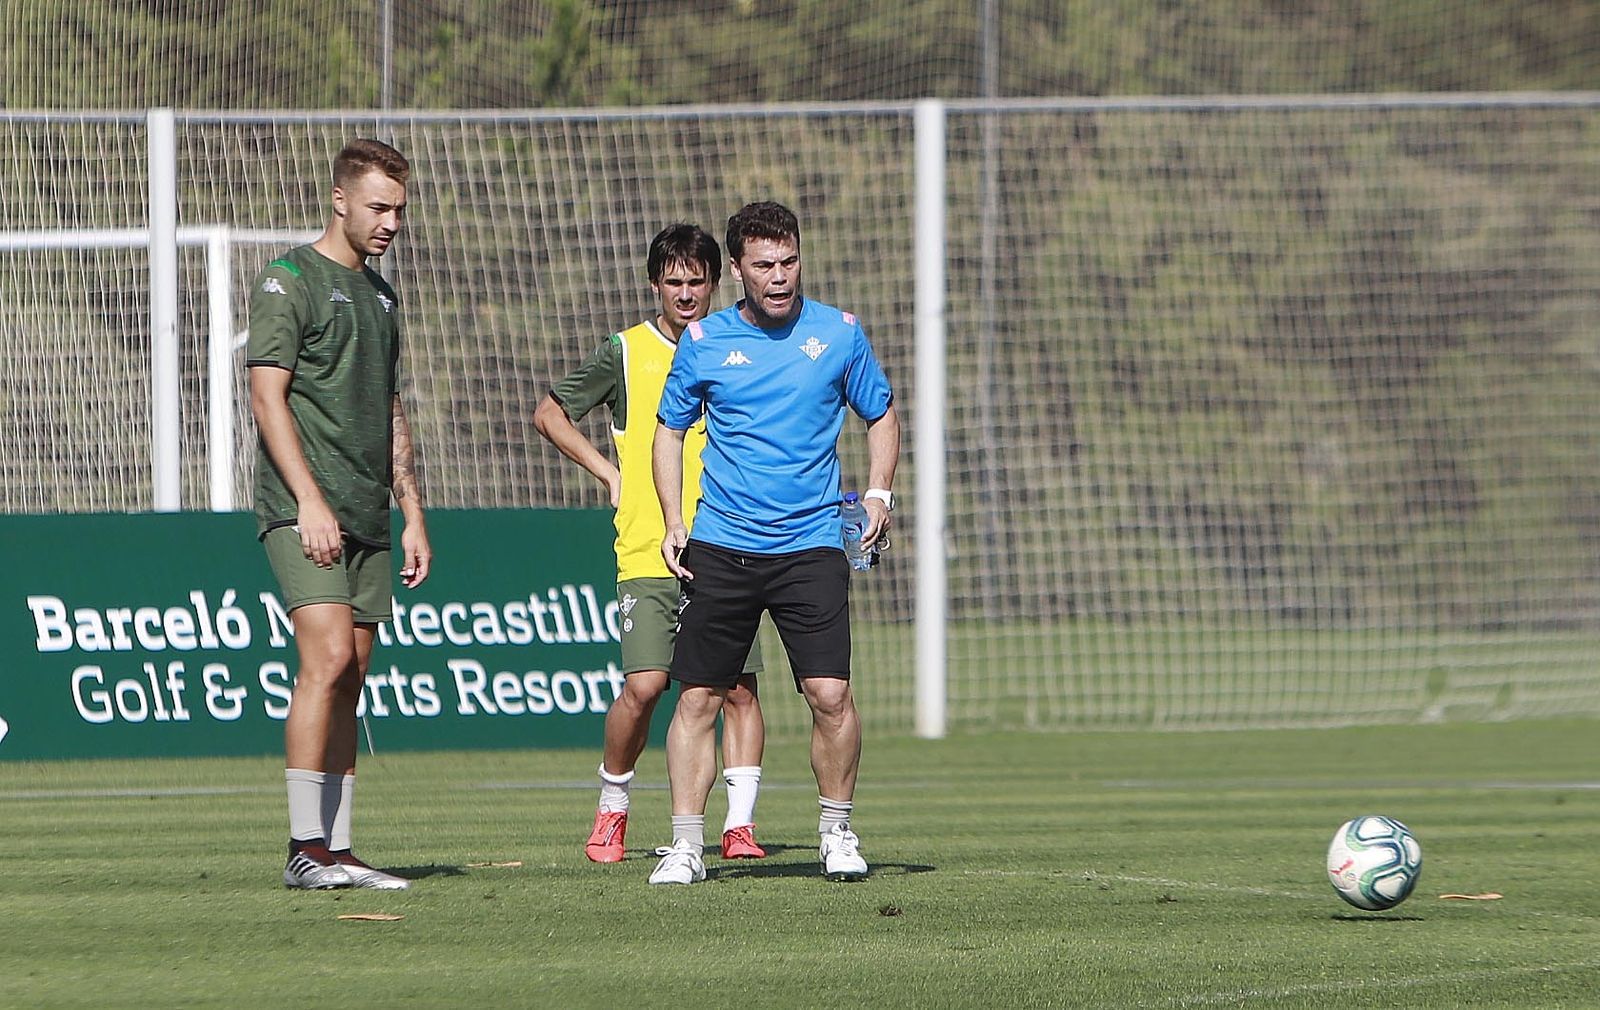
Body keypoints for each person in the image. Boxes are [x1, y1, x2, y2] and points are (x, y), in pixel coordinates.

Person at [649, 201, 900, 885]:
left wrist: (878, 493)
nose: (780, 277)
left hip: (812, 543)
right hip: (723, 543)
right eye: (764, 265)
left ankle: (837, 830)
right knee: (699, 698)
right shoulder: (704, 343)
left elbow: (879, 414)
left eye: (789, 262)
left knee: (830, 693)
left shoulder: (840, 335)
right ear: (736, 270)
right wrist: (674, 520)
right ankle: (687, 845)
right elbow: (668, 430)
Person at [533, 224, 769, 864]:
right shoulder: (627, 351)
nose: (687, 293)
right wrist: (608, 472)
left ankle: (739, 827)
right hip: (645, 547)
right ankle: (613, 804)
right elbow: (550, 412)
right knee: (645, 686)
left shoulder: (739, 345)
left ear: (716, 283)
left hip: (728, 542)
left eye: (698, 281)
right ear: (654, 284)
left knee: (738, 688)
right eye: (674, 282)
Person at [248, 139, 431, 891]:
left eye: (399, 211)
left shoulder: (382, 298)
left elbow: (390, 407)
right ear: (341, 201)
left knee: (353, 675)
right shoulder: (288, 279)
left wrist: (412, 509)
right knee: (323, 661)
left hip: (369, 511)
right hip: (304, 510)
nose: (390, 222)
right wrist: (310, 501)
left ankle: (340, 848)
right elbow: (266, 396)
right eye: (379, 207)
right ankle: (302, 848)